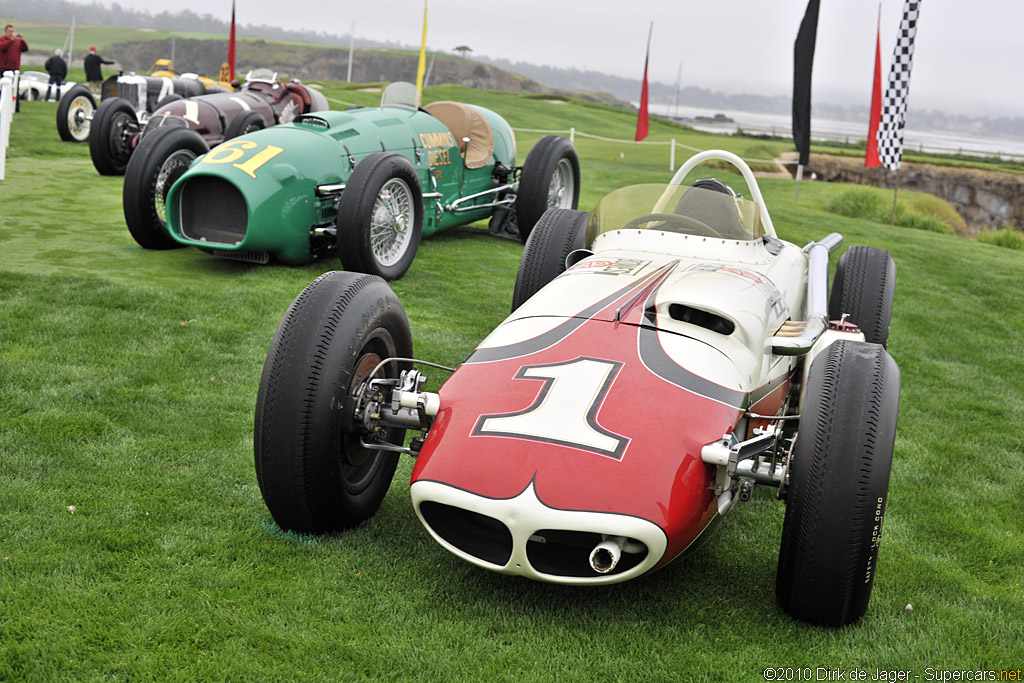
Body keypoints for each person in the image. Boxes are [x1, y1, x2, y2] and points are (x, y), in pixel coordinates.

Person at [0, 24, 28, 111]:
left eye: (13, 31)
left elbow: (25, 49)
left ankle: (15, 108)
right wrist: (11, 40)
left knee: (15, 89)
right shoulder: (2, 40)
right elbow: (3, 47)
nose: (12, 33)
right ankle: (2, 106)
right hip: (3, 69)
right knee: (3, 89)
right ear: (6, 32)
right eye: (10, 31)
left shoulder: (17, 42)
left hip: (15, 69)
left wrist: (22, 41)